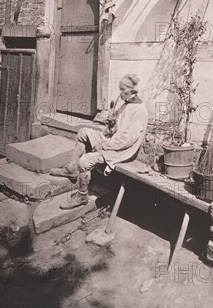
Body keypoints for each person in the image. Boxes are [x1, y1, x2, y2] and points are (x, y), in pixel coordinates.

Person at [51, 74, 148, 209]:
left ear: (132, 91)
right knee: (82, 133)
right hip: (113, 141)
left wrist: (104, 145)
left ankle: (82, 196)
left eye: (122, 90)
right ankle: (72, 170)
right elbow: (115, 130)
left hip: (122, 150)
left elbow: (127, 140)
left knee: (85, 161)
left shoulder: (139, 110)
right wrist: (112, 123)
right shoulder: (125, 103)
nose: (119, 93)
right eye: (119, 89)